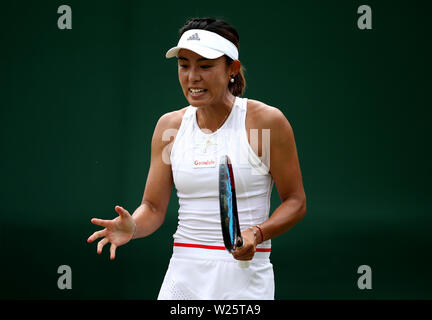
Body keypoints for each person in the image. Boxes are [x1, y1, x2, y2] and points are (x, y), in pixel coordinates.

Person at [87, 17, 306, 300]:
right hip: (182, 278)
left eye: (205, 66)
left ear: (232, 70)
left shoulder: (266, 123)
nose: (192, 77)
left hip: (245, 281)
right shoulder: (169, 128)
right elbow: (153, 207)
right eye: (184, 65)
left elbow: (296, 202)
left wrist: (257, 233)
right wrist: (133, 226)